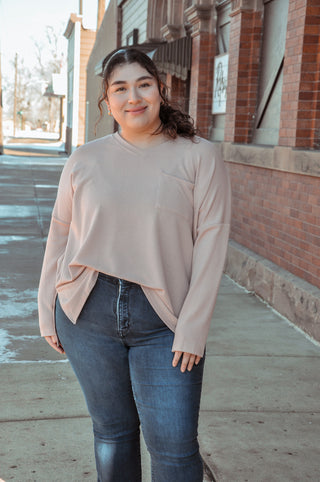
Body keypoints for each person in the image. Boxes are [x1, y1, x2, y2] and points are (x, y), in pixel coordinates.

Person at [38, 48, 231, 482]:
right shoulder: (85, 159)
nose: (134, 97)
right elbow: (59, 235)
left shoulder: (199, 155)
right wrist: (46, 309)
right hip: (86, 311)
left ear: (160, 88)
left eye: (143, 84)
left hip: (165, 318)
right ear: (107, 102)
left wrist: (193, 327)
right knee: (112, 433)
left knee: (176, 449)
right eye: (120, 88)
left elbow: (212, 243)